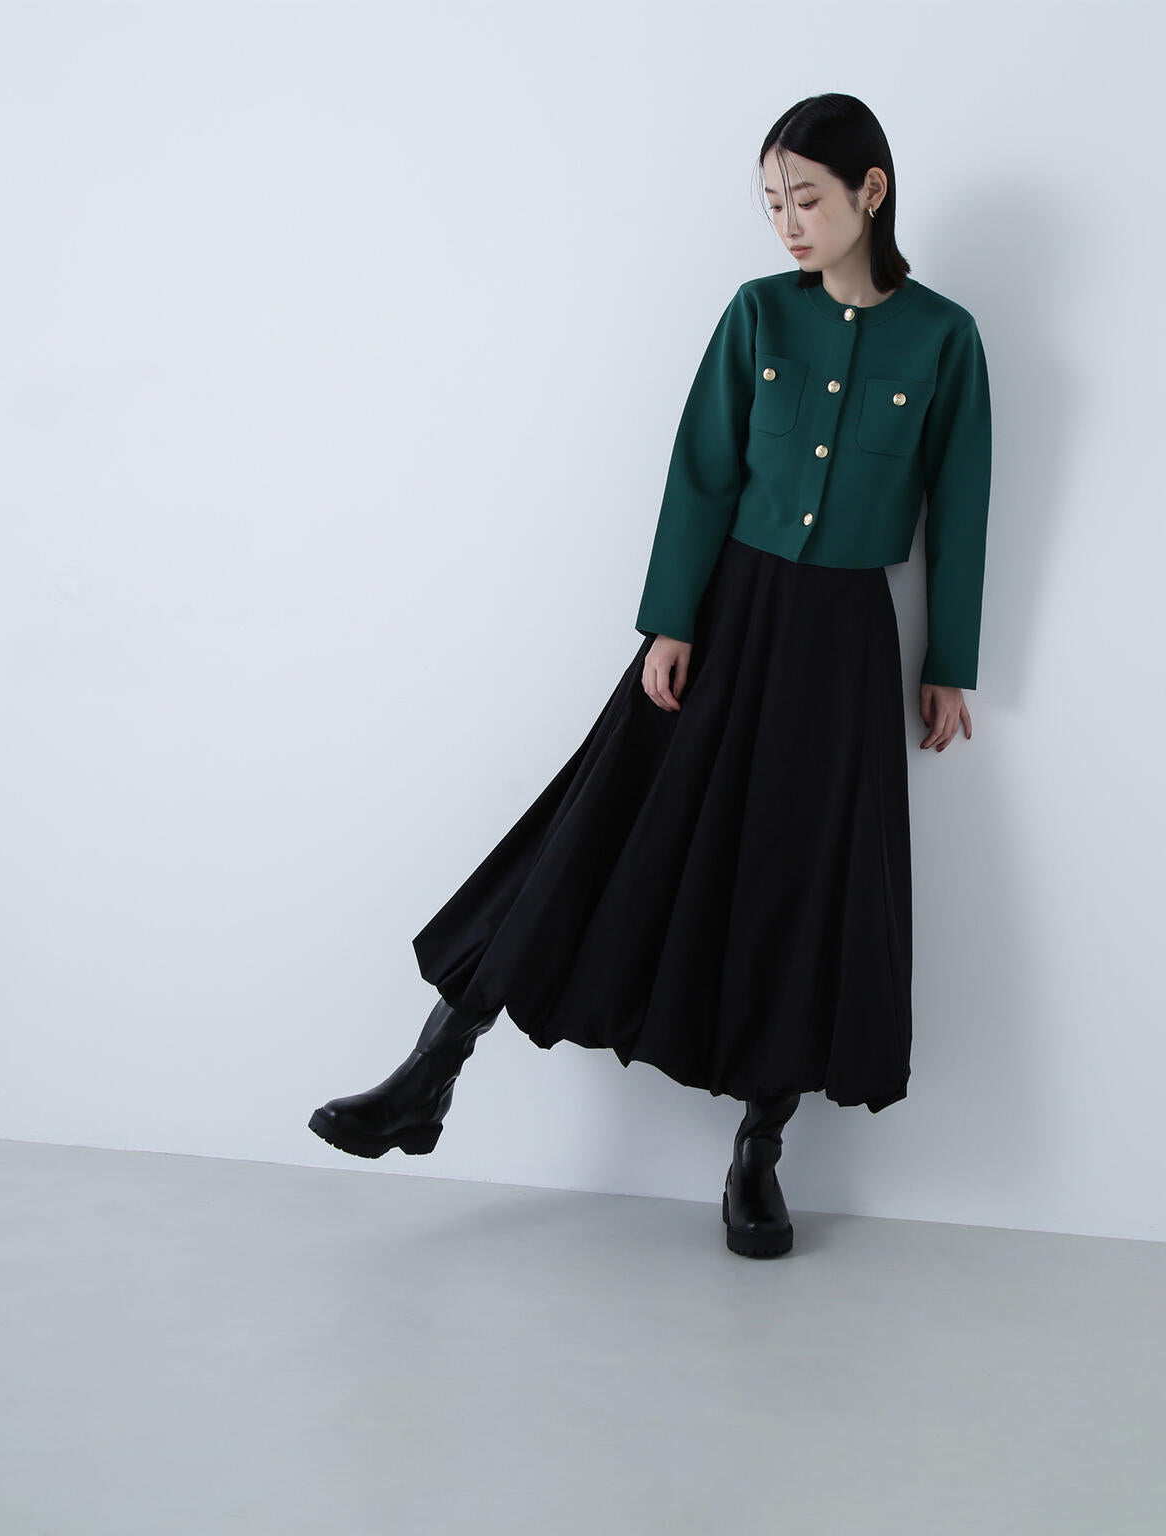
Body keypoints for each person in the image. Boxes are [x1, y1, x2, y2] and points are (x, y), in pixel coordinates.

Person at [309, 93, 992, 1260]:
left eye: (806, 198)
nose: (786, 222)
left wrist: (948, 663)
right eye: (770, 203)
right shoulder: (755, 314)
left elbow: (959, 506)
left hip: (840, 639)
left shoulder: (943, 338)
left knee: (803, 880)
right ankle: (429, 1072)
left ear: (869, 192)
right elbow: (700, 471)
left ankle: (757, 1152)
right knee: (592, 829)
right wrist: (669, 621)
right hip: (723, 617)